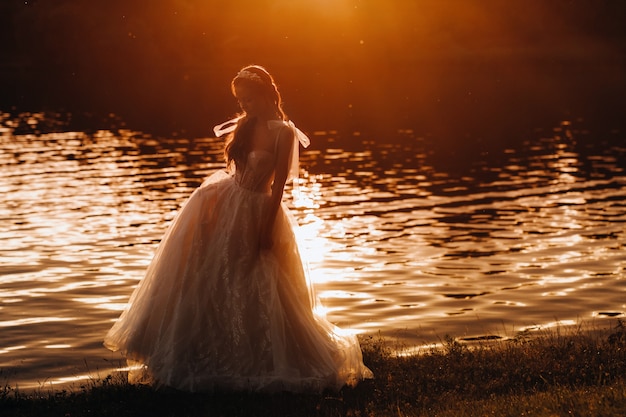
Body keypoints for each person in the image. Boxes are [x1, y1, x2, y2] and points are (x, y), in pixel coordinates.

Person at [104, 65, 373, 392]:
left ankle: (261, 355)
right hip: (229, 201)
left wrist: (266, 226)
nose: (244, 105)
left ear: (265, 95)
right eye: (240, 99)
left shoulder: (283, 132)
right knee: (214, 275)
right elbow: (236, 171)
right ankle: (205, 351)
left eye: (248, 98)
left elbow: (278, 188)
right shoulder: (244, 126)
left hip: (259, 208)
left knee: (257, 278)